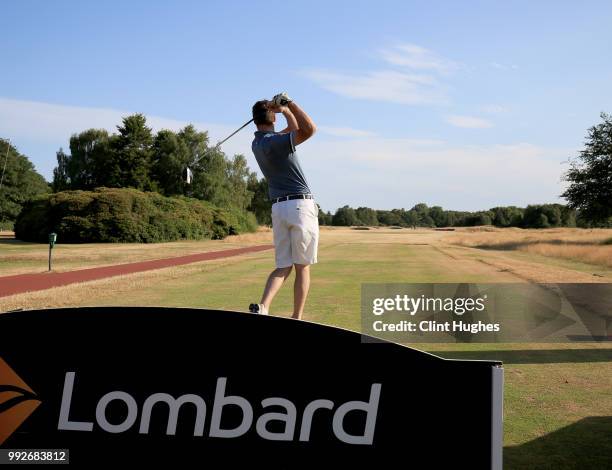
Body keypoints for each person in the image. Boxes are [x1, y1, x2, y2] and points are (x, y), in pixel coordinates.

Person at [248, 92, 318, 320]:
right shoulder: (276, 142)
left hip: (278, 209)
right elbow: (309, 130)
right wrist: (289, 104)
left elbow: (292, 129)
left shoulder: (258, 144)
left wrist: (284, 111)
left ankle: (264, 306)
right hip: (299, 206)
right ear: (273, 118)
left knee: (283, 266)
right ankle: (296, 317)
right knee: (302, 267)